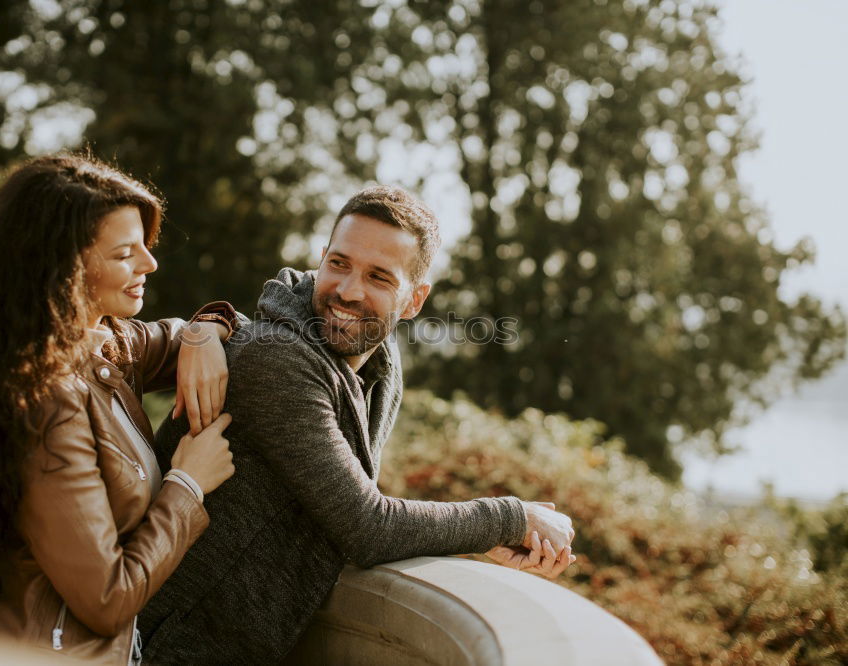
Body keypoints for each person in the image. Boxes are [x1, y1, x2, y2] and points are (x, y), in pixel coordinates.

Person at [139, 185, 577, 664]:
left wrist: (482, 539)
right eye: (340, 264)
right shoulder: (278, 360)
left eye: (379, 277)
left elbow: (341, 510)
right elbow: (367, 526)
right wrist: (512, 518)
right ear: (321, 258)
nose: (348, 291)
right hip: (159, 648)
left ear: (414, 300)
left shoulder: (378, 369)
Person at [0, 154, 240, 665]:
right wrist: (188, 486)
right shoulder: (45, 400)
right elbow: (106, 600)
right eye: (123, 254)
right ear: (64, 269)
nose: (150, 263)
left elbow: (218, 323)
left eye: (145, 245)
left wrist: (205, 331)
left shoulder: (106, 349)